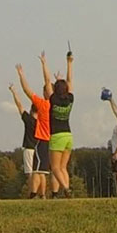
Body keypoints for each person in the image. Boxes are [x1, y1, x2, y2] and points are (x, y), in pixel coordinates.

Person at [16, 55, 53, 197]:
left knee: (36, 171)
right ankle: (44, 194)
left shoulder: (43, 105)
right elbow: (49, 81)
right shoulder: (58, 104)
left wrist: (21, 75)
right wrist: (45, 64)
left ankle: (33, 194)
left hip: (41, 138)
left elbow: (27, 90)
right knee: (43, 171)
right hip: (51, 138)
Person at [9, 84, 48, 198]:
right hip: (40, 148)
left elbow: (20, 106)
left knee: (31, 174)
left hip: (29, 148)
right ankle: (43, 194)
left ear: (31, 109)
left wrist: (14, 92)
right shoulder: (43, 123)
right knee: (41, 173)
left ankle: (32, 193)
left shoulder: (28, 120)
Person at [46, 51, 75, 198]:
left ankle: (65, 188)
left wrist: (44, 64)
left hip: (57, 135)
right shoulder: (70, 98)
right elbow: (69, 82)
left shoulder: (53, 100)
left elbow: (46, 81)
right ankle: (67, 190)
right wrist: (69, 63)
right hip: (69, 135)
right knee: (63, 167)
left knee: (55, 167)